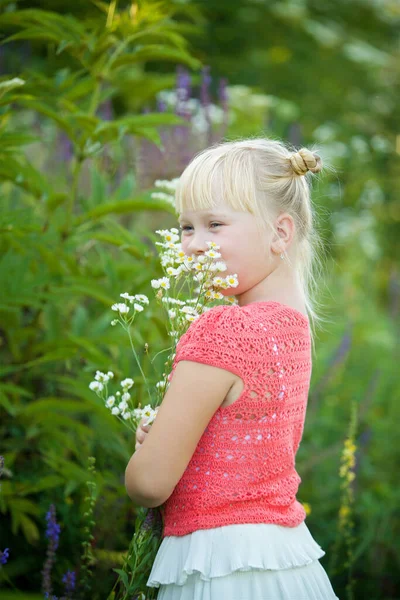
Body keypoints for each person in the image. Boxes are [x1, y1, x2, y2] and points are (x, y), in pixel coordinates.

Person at [126, 138, 339, 599]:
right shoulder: (294, 329)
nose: (195, 246)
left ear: (280, 233)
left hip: (219, 568)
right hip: (285, 561)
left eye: (215, 225)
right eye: (186, 227)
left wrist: (148, 448)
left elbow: (148, 484)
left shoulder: (224, 330)